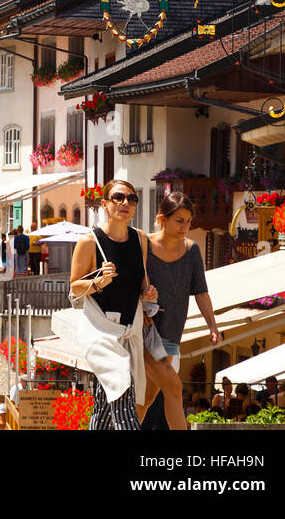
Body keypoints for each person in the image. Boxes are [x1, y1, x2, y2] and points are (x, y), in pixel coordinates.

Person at [69, 179, 157, 431]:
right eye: (118, 197)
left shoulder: (140, 239)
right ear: (105, 204)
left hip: (130, 329)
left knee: (104, 407)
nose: (125, 203)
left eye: (131, 198)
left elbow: (142, 283)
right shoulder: (90, 241)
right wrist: (99, 281)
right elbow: (74, 287)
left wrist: (148, 293)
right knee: (122, 385)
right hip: (100, 329)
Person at [141, 192, 220, 430]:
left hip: (172, 334)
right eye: (179, 220)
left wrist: (213, 326)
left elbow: (201, 292)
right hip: (146, 332)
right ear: (162, 219)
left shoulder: (192, 251)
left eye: (188, 221)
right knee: (174, 389)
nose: (185, 226)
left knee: (147, 399)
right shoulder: (143, 244)